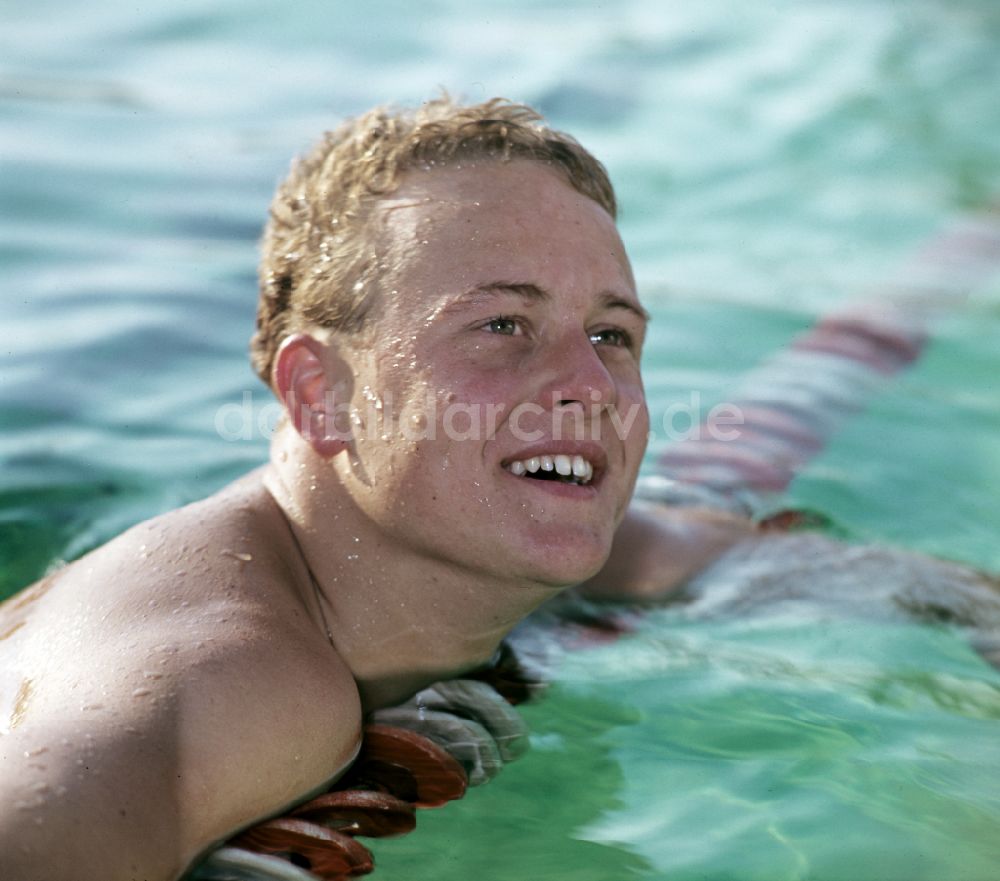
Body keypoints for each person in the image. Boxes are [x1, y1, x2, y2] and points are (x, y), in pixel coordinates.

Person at [0, 96, 754, 881]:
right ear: (321, 394)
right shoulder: (232, 681)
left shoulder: (510, 543)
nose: (591, 385)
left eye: (612, 335)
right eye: (502, 323)